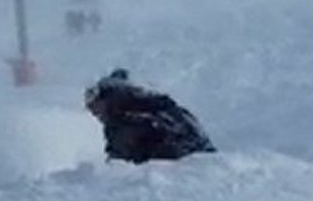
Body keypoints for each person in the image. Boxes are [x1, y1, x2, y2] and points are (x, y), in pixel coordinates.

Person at [84, 69, 216, 164]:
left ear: (105, 99)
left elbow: (120, 162)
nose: (94, 114)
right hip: (200, 160)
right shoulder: (152, 105)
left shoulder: (127, 120)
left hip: (184, 165)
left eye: (94, 106)